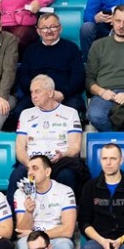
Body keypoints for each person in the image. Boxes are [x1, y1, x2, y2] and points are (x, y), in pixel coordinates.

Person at [8, 74, 85, 206]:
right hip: (32, 162)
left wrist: (63, 155)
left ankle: (66, 213)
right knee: (17, 175)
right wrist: (30, 165)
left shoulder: (70, 113)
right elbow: (20, 147)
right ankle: (17, 215)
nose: (33, 96)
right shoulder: (26, 114)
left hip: (59, 163)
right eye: (32, 92)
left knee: (67, 175)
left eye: (37, 91)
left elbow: (75, 147)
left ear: (50, 93)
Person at [12, 155, 77, 249]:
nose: (30, 173)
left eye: (35, 168)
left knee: (64, 248)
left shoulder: (65, 191)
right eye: (28, 169)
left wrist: (38, 235)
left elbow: (68, 230)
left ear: (47, 172)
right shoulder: (21, 193)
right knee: (23, 246)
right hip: (30, 237)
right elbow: (21, 231)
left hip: (57, 238)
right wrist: (28, 212)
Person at [13, 13, 86, 116]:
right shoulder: (30, 50)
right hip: (36, 95)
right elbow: (24, 76)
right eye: (44, 28)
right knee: (19, 112)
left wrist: (63, 93)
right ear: (38, 31)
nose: (49, 31)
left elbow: (78, 76)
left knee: (73, 111)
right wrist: (38, 93)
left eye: (53, 27)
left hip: (65, 95)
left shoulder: (72, 48)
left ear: (60, 28)